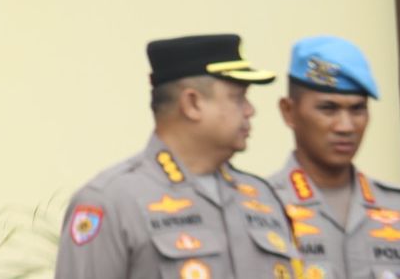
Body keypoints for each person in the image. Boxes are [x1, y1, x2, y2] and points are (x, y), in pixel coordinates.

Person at [56, 34, 299, 279]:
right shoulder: (112, 201)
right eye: (238, 98)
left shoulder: (262, 196)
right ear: (192, 104)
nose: (250, 110)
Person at [269, 37, 400, 279]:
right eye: (328, 109)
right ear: (288, 112)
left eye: (357, 109)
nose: (345, 126)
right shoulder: (263, 209)